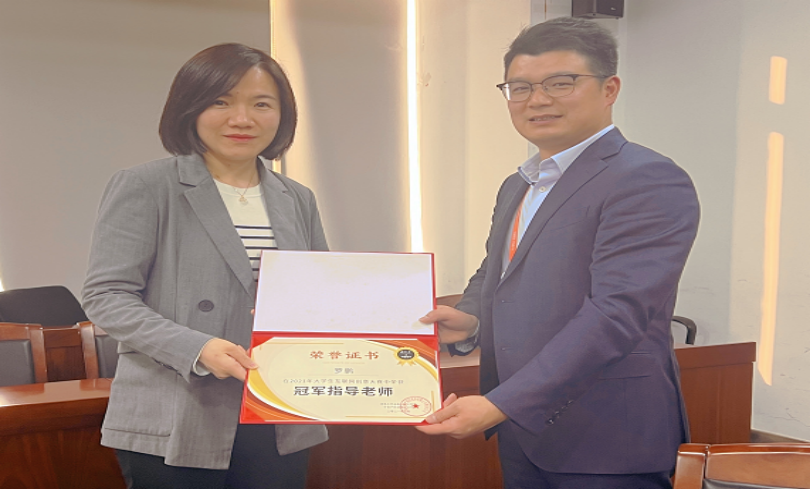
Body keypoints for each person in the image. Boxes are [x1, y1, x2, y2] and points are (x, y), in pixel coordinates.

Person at [417, 17, 700, 489]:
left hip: (607, 439)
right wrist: (472, 319)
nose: (537, 100)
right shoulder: (519, 184)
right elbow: (499, 271)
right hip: (525, 434)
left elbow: (617, 312)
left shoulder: (646, 178)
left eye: (560, 83)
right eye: (520, 87)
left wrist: (503, 403)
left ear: (609, 89)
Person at [82, 44, 328, 489]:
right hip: (177, 410)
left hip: (278, 410)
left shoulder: (296, 198)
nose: (242, 118)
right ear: (189, 108)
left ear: (282, 115)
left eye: (261, 104)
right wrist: (197, 349)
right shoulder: (146, 185)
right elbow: (107, 296)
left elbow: (319, 294)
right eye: (221, 101)